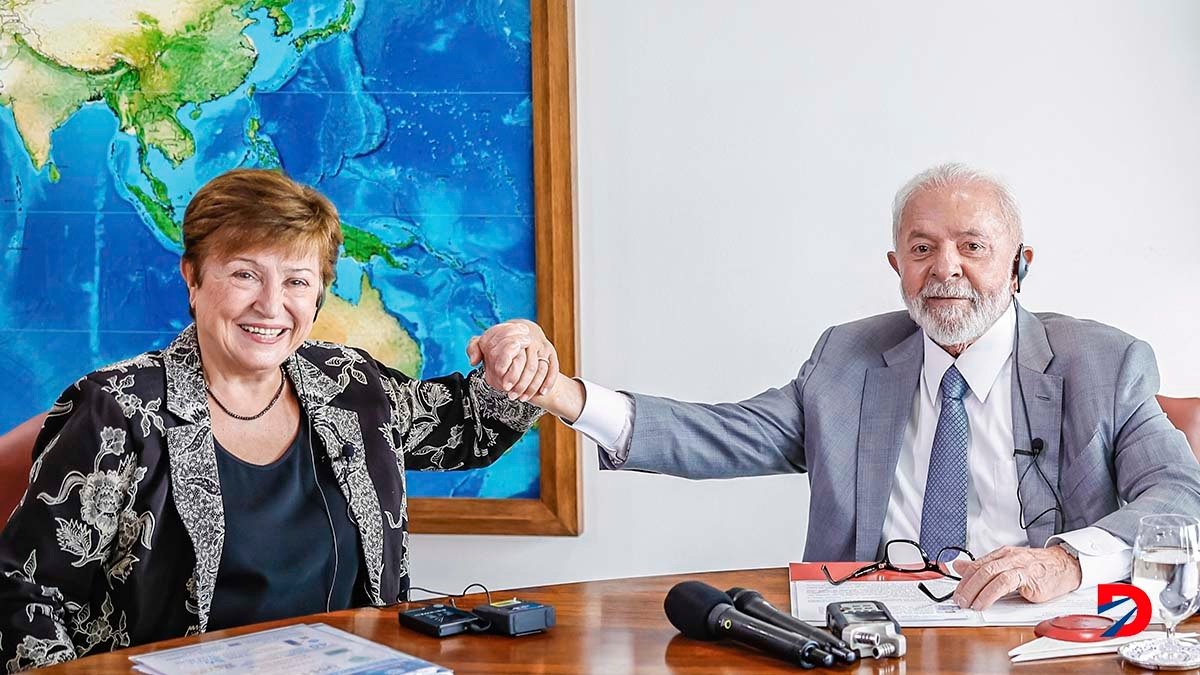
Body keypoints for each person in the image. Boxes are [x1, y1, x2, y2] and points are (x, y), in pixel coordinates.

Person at [537, 162, 1200, 611]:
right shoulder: (847, 360)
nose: (946, 268)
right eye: (922, 248)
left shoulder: (1105, 363)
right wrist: (566, 394)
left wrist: (1065, 561)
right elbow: (723, 435)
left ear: (1020, 264)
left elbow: (1179, 499)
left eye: (973, 246)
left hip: (1038, 629)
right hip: (867, 633)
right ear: (897, 266)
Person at [0, 169, 565, 670]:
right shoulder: (115, 410)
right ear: (193, 278)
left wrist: (518, 345)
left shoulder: (351, 387)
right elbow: (24, 593)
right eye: (245, 274)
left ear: (318, 294)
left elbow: (469, 426)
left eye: (296, 280)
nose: (271, 306)